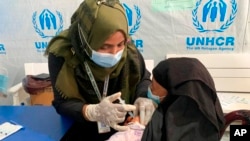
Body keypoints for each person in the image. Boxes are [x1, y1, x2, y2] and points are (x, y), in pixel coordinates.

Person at [44, 0, 155, 140]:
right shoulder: (63, 53)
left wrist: (143, 96)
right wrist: (92, 111)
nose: (114, 52)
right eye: (104, 46)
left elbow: (143, 78)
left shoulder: (129, 49)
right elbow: (62, 103)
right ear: (86, 39)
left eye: (120, 44)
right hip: (82, 126)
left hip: (124, 127)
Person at [141, 57, 225, 141]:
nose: (149, 89)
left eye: (153, 88)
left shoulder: (163, 127)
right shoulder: (209, 119)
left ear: (173, 94)